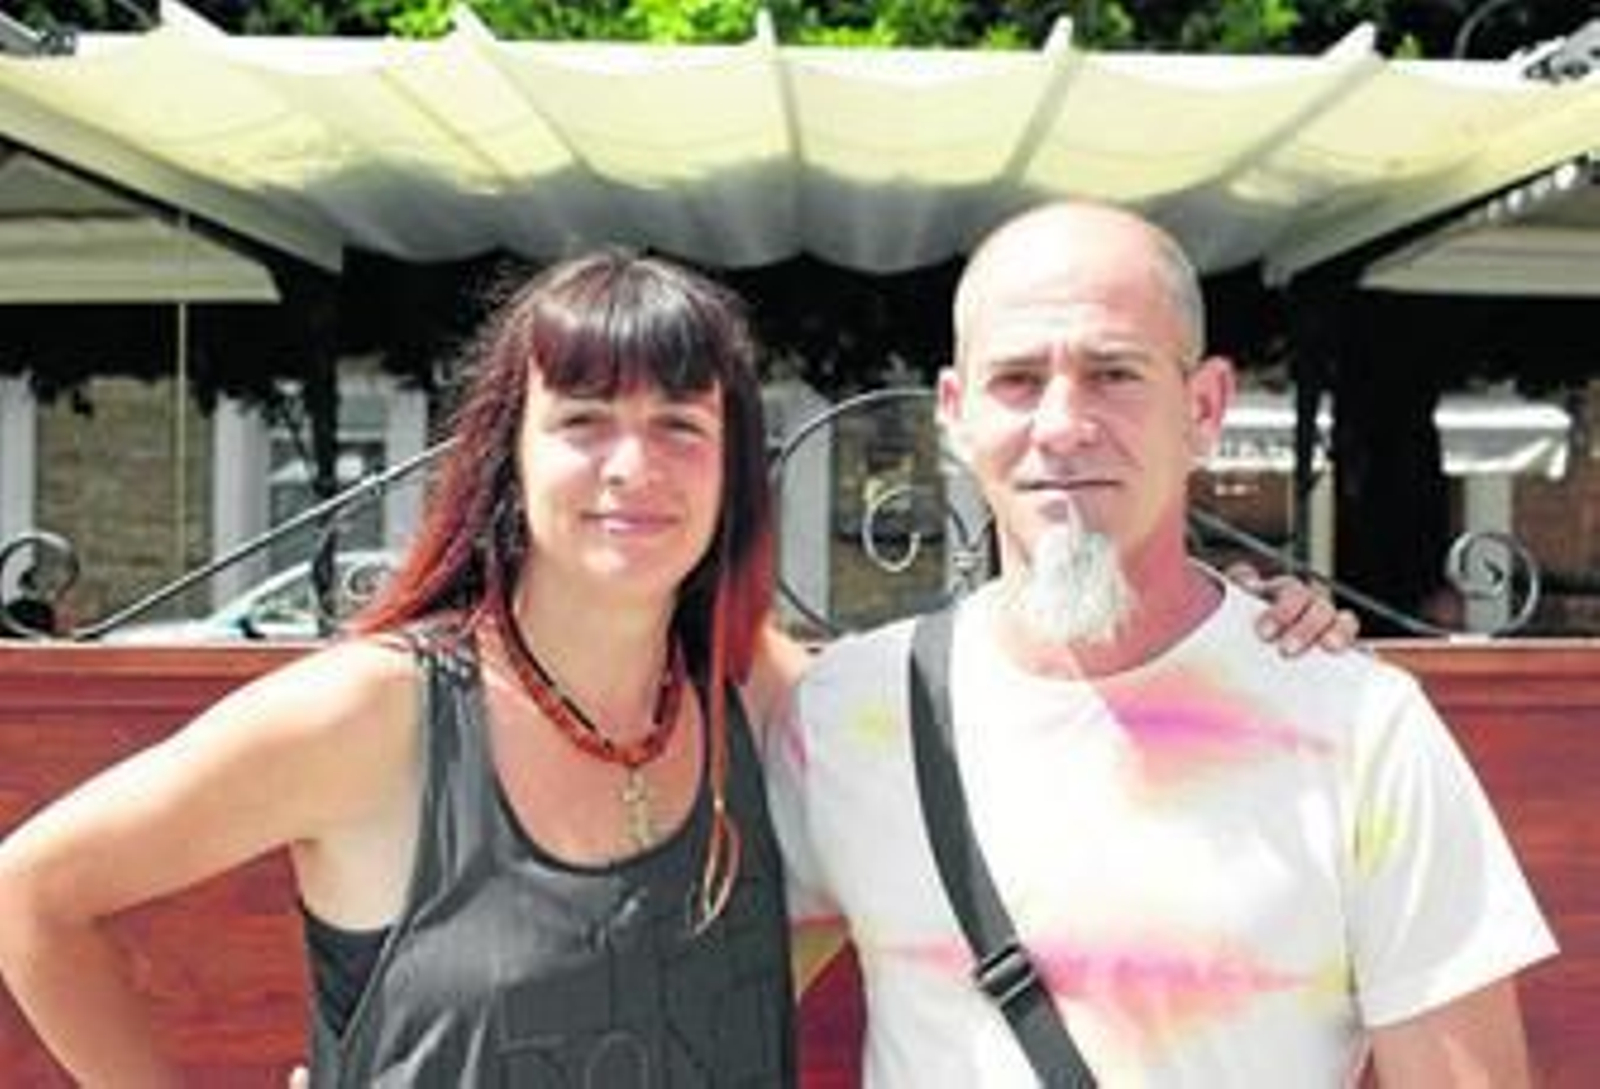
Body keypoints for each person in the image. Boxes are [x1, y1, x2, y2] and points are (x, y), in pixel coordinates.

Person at [0, 248, 1348, 1087]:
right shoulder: (381, 713)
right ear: (509, 456)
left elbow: (1027, 706)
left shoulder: (769, 699)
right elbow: (33, 894)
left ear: (731, 465)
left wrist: (1246, 631)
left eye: (680, 424)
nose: (632, 466)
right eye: (583, 421)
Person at [764, 202, 1556, 1086]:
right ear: (957, 411)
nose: (1062, 423)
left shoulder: (1358, 725)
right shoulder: (847, 717)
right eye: (1018, 379)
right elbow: (688, 981)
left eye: (1113, 372)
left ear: (1204, 406)